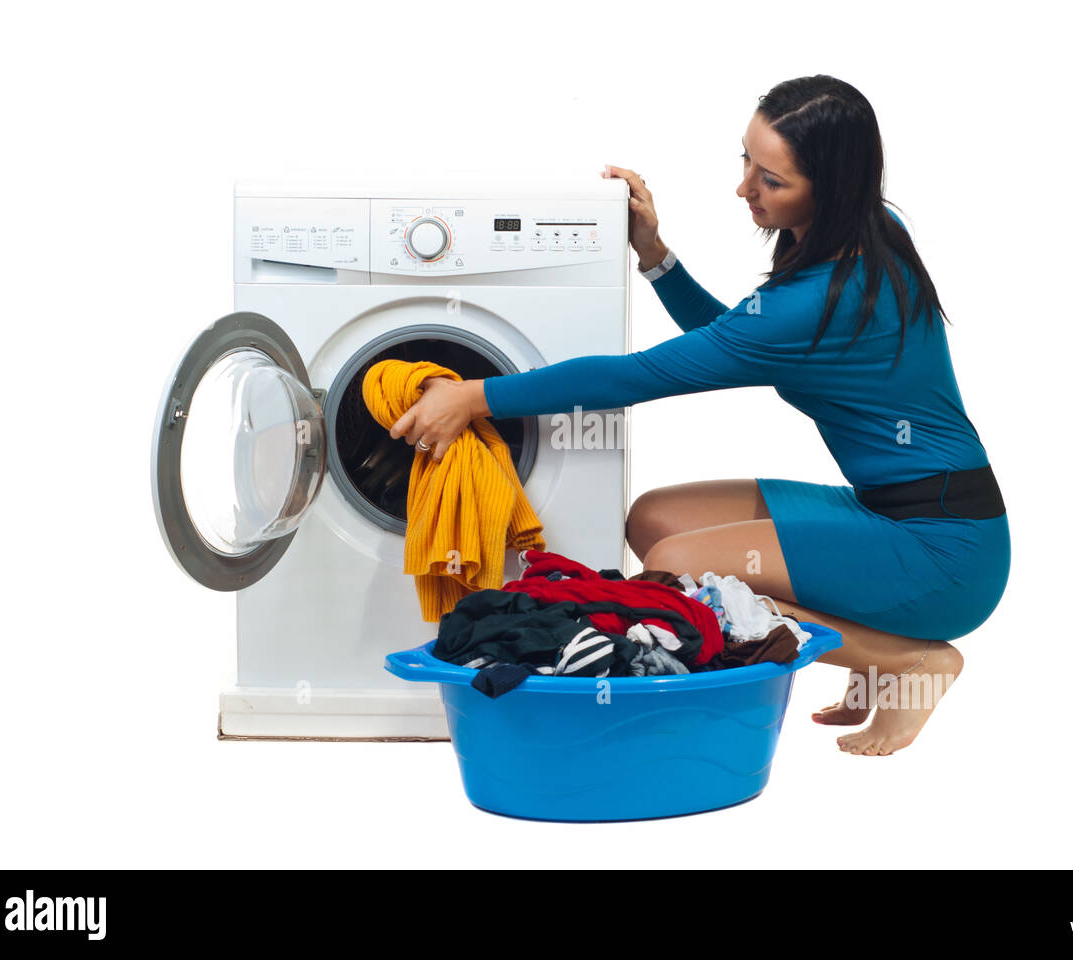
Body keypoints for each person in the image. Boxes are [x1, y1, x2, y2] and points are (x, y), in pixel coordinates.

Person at [388, 75, 1010, 757]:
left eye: (771, 180)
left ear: (830, 188)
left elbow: (643, 375)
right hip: (894, 512)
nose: (744, 188)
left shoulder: (824, 293)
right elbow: (735, 342)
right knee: (653, 520)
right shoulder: (867, 230)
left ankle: (910, 663)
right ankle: (878, 651)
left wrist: (475, 396)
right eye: (744, 159)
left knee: (676, 564)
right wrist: (655, 255)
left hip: (944, 551)